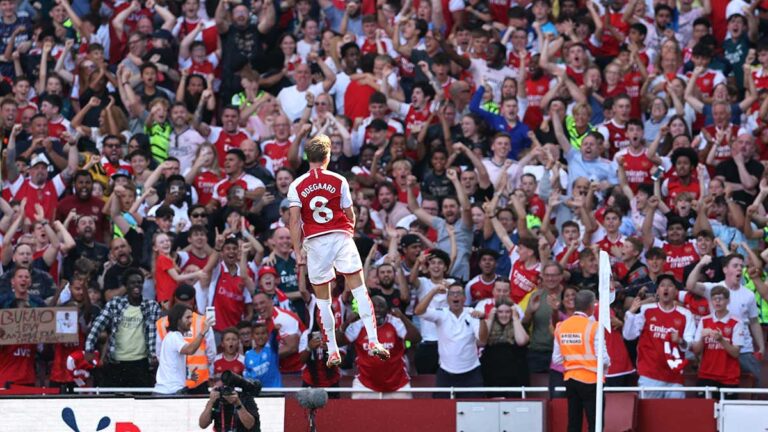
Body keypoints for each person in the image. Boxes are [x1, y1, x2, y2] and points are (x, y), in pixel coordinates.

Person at [287, 133, 390, 367]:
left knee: (323, 300)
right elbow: (350, 212)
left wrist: (297, 249)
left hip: (315, 242)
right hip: (340, 236)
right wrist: (349, 232)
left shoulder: (296, 185)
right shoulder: (338, 180)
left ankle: (333, 350)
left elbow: (294, 221)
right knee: (360, 290)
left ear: (307, 157)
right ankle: (373, 341)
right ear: (328, 156)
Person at [85, 268, 162, 388]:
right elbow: (97, 325)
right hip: (116, 363)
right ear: (126, 285)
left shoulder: (152, 306)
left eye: (139, 282)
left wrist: (156, 355)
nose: (136, 285)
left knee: (140, 401)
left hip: (141, 363)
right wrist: (89, 348)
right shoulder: (115, 304)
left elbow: (159, 333)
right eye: (132, 283)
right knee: (115, 401)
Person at [623, 274, 695, 398]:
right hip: (649, 375)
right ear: (657, 291)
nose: (666, 289)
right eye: (662, 286)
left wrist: (680, 341)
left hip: (674, 377)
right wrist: (630, 313)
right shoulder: (646, 310)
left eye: (670, 286)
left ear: (676, 292)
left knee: (675, 415)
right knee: (649, 414)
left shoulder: (685, 314)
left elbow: (690, 345)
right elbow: (629, 336)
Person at [415, 282, 488, 398]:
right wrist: (434, 291)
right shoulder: (441, 313)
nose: (455, 296)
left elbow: (483, 340)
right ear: (447, 298)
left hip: (471, 372)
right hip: (446, 373)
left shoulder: (471, 313)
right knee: (441, 411)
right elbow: (419, 311)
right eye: (452, 294)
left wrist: (482, 319)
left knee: (474, 411)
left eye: (458, 293)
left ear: (464, 298)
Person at [340, 296, 420, 399]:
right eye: (373, 306)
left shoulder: (395, 322)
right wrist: (346, 323)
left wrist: (403, 317)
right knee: (359, 415)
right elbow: (338, 342)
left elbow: (416, 338)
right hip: (365, 384)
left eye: (381, 306)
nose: (377, 309)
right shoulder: (359, 325)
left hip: (398, 384)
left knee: (403, 414)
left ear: (387, 310)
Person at [553, 290, 610, 432]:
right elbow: (603, 358)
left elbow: (556, 358)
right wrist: (606, 366)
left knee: (573, 422)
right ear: (591, 307)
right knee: (595, 423)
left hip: (570, 379)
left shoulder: (561, 326)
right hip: (592, 380)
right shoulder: (594, 326)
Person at [155, 284, 216, 394]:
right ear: (178, 319)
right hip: (173, 389)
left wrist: (187, 375)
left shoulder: (169, 330)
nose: (191, 321)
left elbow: (162, 356)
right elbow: (193, 351)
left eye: (191, 317)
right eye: (188, 318)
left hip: (181, 384)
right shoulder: (174, 336)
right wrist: (202, 332)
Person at [691, 285, 744, 398]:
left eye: (721, 298)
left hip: (728, 378)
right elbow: (696, 350)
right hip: (706, 375)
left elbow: (735, 353)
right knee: (703, 413)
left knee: (728, 414)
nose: (718, 301)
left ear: (728, 301)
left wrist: (721, 340)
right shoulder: (704, 320)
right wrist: (701, 337)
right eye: (715, 298)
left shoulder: (736, 322)